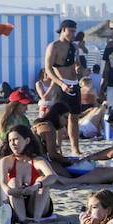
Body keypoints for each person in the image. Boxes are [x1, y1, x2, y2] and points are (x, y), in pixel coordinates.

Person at [0, 124, 57, 223]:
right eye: (10, 141)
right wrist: (11, 191)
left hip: (37, 204)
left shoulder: (37, 160)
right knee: (13, 182)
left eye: (16, 139)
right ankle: (22, 219)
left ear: (27, 140)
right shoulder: (6, 161)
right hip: (16, 202)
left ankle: (36, 219)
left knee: (42, 181)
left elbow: (53, 176)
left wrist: (36, 186)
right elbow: (2, 183)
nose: (12, 143)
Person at [44, 20, 83, 156]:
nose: (73, 34)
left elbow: (77, 64)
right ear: (63, 29)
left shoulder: (74, 47)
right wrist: (61, 84)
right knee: (58, 118)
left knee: (74, 117)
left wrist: (79, 70)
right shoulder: (53, 47)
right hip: (61, 84)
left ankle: (75, 149)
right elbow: (48, 69)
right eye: (71, 31)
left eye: (74, 31)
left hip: (74, 84)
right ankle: (57, 147)